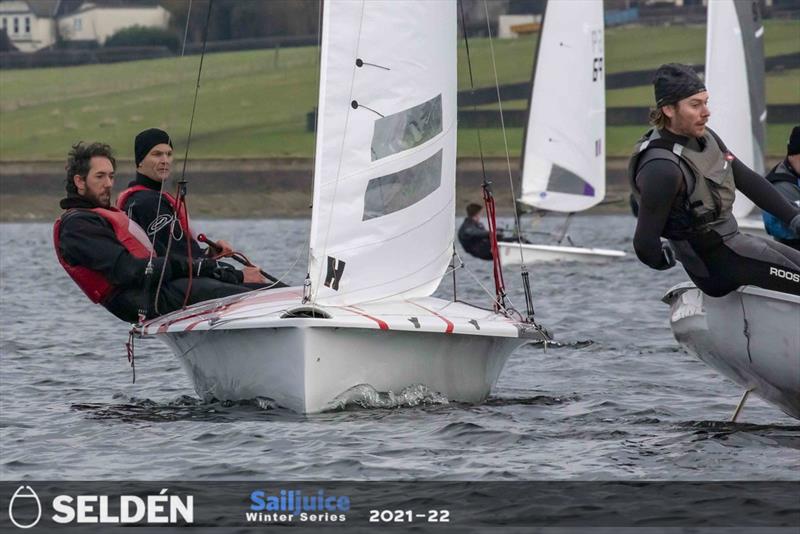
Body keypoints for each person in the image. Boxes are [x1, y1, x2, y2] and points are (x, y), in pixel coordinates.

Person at [629, 63, 800, 297]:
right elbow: (644, 244)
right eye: (695, 105)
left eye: (705, 102)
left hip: (736, 242)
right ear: (668, 109)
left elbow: (746, 179)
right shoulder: (662, 168)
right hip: (717, 268)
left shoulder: (706, 137)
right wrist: (664, 258)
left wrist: (793, 218)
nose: (706, 112)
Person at [55, 142, 255, 323]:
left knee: (256, 289)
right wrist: (202, 268)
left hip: (157, 289)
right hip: (142, 300)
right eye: (100, 176)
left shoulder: (95, 217)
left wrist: (205, 260)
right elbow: (130, 270)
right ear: (80, 182)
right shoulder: (77, 227)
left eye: (111, 176)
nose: (109, 183)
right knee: (252, 294)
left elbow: (154, 261)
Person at [116, 128, 270, 287]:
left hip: (189, 278)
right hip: (177, 287)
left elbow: (181, 252)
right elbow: (170, 261)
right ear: (140, 160)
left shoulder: (151, 198)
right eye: (157, 154)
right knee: (266, 287)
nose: (165, 160)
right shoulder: (146, 203)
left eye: (169, 154)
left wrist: (209, 253)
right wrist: (237, 276)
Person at [761, 126, 800, 250]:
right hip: (793, 255)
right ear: (793, 155)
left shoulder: (795, 170)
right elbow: (776, 227)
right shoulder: (780, 185)